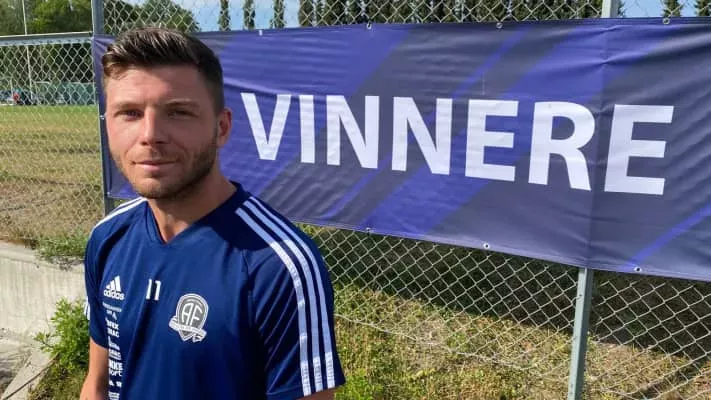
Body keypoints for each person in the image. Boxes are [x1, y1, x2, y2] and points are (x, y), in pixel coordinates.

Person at [81, 27, 346, 400]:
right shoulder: (107, 238)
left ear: (221, 128)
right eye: (130, 113)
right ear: (107, 124)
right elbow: (97, 383)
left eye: (178, 112)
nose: (150, 134)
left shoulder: (280, 267)